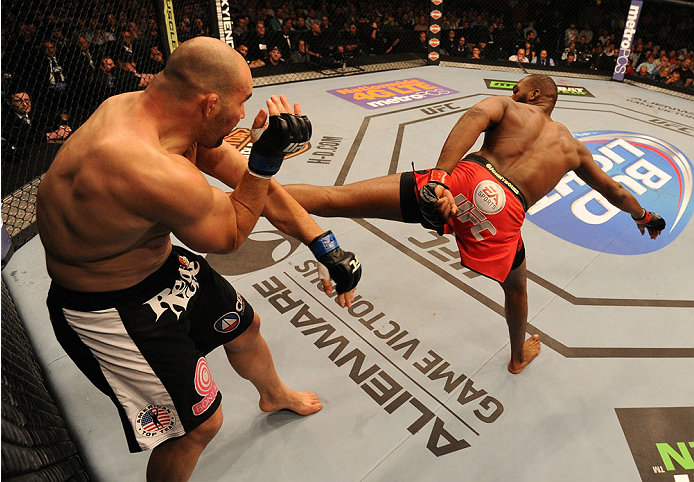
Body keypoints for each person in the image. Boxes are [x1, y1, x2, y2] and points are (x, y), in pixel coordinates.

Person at [36, 37, 360, 482]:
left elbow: (235, 170)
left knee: (244, 327)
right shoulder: (142, 165)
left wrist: (321, 242)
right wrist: (265, 163)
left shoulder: (157, 110)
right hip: (109, 307)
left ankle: (274, 395)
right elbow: (229, 233)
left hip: (158, 265)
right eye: (241, 103)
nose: (244, 116)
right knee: (198, 427)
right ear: (209, 104)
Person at [284, 74, 665, 375]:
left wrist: (438, 178)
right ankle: (518, 357)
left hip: (466, 181)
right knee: (515, 289)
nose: (513, 94)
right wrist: (644, 216)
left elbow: (474, 117)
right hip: (506, 214)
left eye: (518, 90)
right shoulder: (574, 148)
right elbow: (613, 190)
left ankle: (248, 195)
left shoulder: (509, 106)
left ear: (533, 95)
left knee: (337, 198)